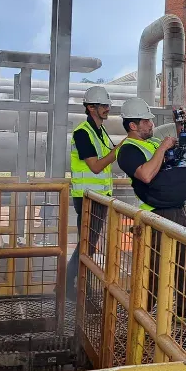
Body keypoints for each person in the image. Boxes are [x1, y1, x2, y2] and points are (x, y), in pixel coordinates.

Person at [116, 97, 186, 324]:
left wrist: (179, 129)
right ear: (133, 126)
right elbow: (146, 175)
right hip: (156, 214)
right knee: (154, 266)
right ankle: (142, 313)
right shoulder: (128, 150)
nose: (151, 124)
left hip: (178, 210)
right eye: (146, 121)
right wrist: (164, 147)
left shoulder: (153, 143)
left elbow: (173, 156)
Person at [66, 86, 121, 294]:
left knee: (87, 245)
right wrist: (121, 148)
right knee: (86, 246)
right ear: (90, 108)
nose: (107, 109)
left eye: (107, 105)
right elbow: (96, 166)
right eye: (103, 105)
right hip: (87, 198)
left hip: (99, 197)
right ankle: (73, 287)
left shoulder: (99, 132)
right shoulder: (82, 133)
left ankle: (72, 285)